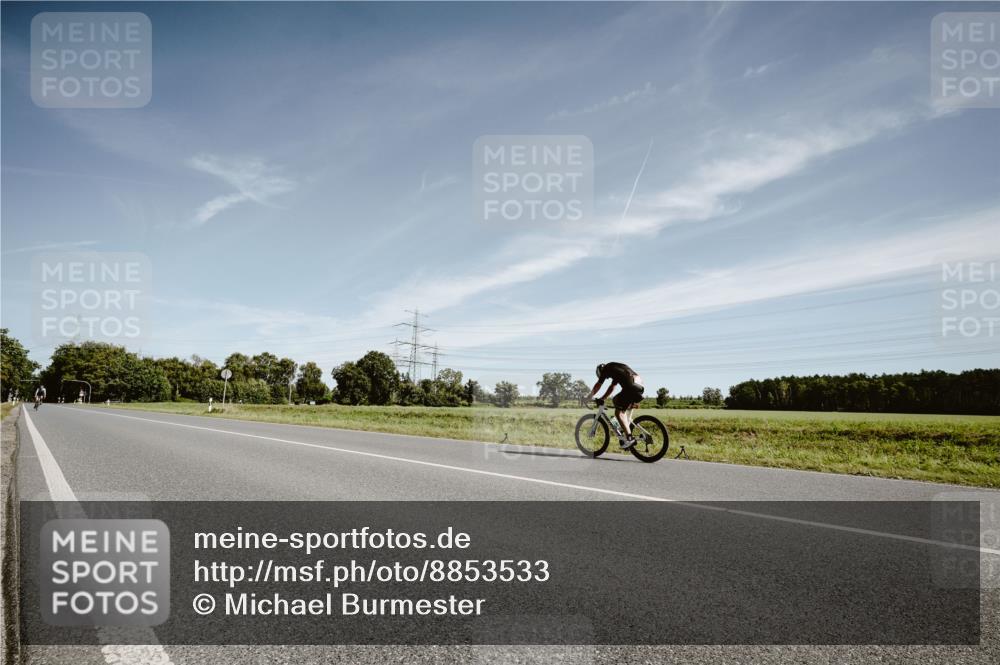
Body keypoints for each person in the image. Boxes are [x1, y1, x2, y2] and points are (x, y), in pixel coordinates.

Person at [586, 362, 644, 449]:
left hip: (631, 387)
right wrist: (603, 398)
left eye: (604, 376)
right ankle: (626, 432)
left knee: (618, 410)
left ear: (600, 371)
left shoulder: (606, 369)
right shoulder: (616, 369)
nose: (606, 377)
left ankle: (629, 438)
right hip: (640, 386)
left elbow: (598, 385)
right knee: (620, 407)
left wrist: (589, 397)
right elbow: (612, 387)